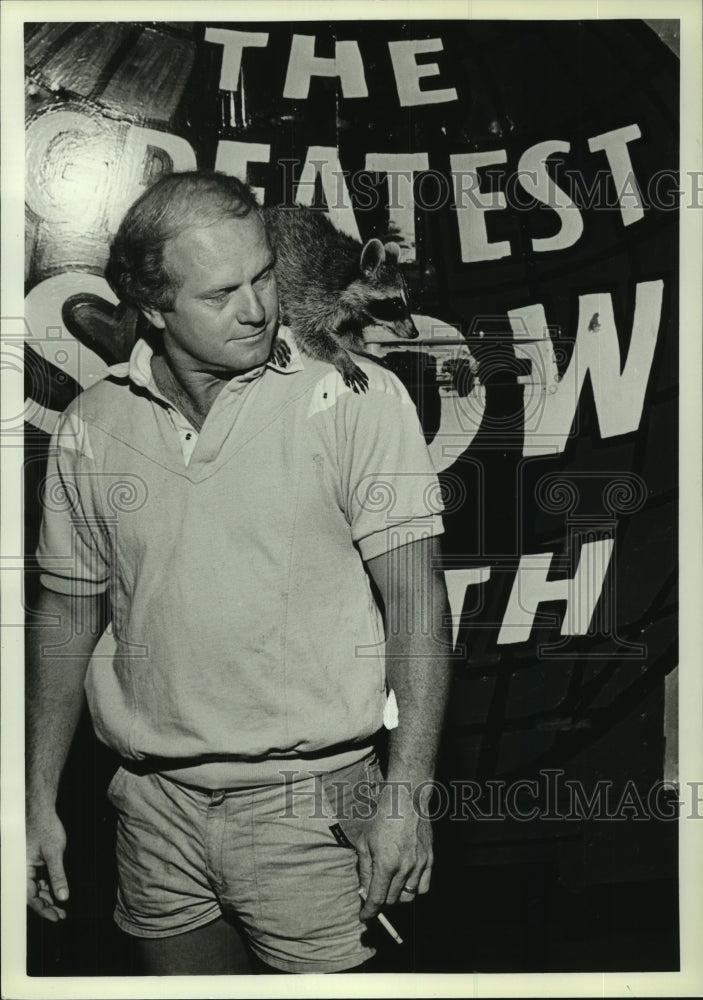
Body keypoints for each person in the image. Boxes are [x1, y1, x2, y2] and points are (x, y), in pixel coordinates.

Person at [26, 170, 452, 975]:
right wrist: (34, 795)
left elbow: (415, 602)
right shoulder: (93, 424)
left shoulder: (356, 399)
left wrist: (406, 795)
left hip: (320, 807)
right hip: (150, 811)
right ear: (152, 307)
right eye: (221, 293)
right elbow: (66, 616)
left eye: (262, 278)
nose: (256, 309)